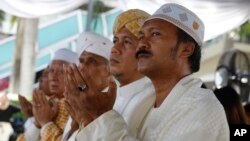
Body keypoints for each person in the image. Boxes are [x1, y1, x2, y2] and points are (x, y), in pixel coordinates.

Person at [73, 3, 229, 141]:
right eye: (141, 36)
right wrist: (88, 119)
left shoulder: (201, 107)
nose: (142, 44)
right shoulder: (147, 106)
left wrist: (102, 115)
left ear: (186, 49)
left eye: (155, 34)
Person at [65, 9, 155, 140]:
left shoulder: (153, 100)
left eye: (127, 42)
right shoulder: (103, 97)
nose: (115, 49)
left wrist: (99, 115)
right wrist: (84, 119)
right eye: (115, 40)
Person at [62, 32, 113, 141]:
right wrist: (74, 126)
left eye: (92, 61)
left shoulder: (112, 103)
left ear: (109, 70)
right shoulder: (77, 100)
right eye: (81, 61)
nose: (83, 67)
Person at [26, 48, 78, 141]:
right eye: (51, 71)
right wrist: (38, 122)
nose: (53, 77)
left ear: (75, 76)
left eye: (61, 71)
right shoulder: (50, 104)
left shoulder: (77, 107)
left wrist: (45, 122)